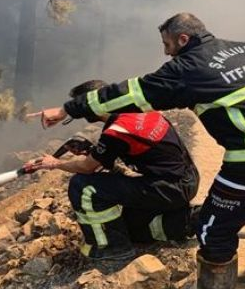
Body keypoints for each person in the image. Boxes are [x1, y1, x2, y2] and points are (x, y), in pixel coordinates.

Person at [31, 13, 245, 289]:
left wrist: (67, 109)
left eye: (167, 45)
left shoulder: (189, 66)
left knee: (213, 232)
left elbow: (131, 93)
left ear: (183, 40)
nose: (166, 53)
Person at [24, 80, 200, 261]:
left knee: (82, 186)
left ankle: (112, 248)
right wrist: (92, 151)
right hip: (185, 180)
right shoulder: (141, 110)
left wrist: (54, 163)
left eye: (82, 109)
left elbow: (87, 168)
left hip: (170, 189)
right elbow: (123, 153)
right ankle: (194, 219)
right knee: (130, 229)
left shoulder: (116, 131)